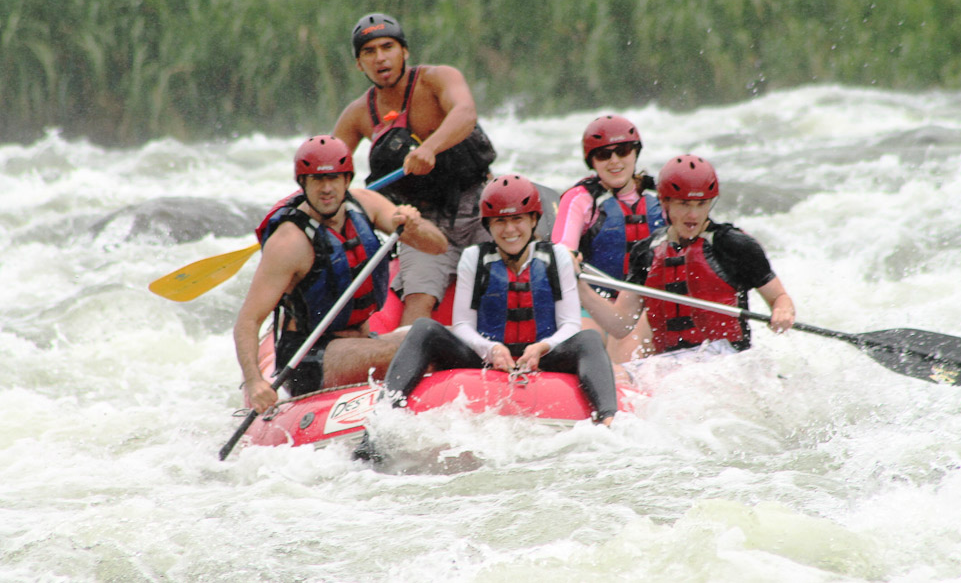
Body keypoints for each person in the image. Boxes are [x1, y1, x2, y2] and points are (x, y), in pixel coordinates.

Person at [353, 174, 618, 461]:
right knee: (424, 329)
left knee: (589, 338)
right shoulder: (473, 258)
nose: (510, 229)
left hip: (543, 355)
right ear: (488, 226)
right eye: (500, 222)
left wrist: (543, 347)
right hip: (488, 357)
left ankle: (608, 424)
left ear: (533, 220)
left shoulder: (557, 257)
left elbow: (570, 325)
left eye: (518, 219)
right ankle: (378, 427)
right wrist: (490, 349)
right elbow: (463, 325)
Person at [234, 135, 447, 414]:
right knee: (416, 351)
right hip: (310, 358)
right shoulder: (289, 242)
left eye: (334, 179)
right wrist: (253, 382)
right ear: (303, 184)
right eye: (317, 180)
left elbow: (438, 246)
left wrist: (415, 226)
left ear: (347, 180)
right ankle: (385, 421)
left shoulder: (365, 203)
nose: (326, 189)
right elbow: (248, 321)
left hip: (361, 341)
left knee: (443, 337)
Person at [332, 12, 497, 327]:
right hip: (421, 223)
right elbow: (326, 170)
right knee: (419, 300)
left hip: (477, 205)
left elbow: (465, 112)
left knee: (502, 284)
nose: (380, 58)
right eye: (369, 52)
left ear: (404, 51)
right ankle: (412, 362)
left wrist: (429, 148)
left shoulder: (437, 79)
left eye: (387, 47)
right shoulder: (357, 115)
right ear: (358, 64)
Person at [578, 154, 795, 381]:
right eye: (683, 204)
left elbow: (779, 297)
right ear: (665, 202)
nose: (693, 215)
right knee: (611, 376)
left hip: (727, 359)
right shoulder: (646, 252)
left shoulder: (734, 245)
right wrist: (581, 287)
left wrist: (782, 312)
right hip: (670, 364)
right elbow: (620, 324)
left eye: (701, 204)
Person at [551, 115, 665, 362]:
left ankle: (625, 379)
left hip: (646, 306)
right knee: (587, 340)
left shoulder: (662, 195)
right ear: (592, 161)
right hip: (593, 304)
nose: (614, 161)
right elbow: (562, 249)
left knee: (631, 339)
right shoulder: (580, 198)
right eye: (603, 155)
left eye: (622, 151)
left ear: (635, 153)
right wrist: (567, 257)